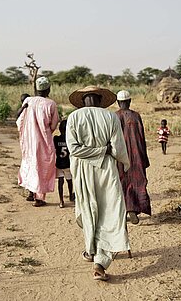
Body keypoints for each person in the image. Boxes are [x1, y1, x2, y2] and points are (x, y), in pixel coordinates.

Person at [66, 86, 130, 282]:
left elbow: (74, 149)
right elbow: (117, 148)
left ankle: (91, 251)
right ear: (100, 100)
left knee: (88, 209)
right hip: (107, 169)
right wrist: (110, 154)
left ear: (83, 100)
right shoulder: (111, 117)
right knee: (110, 211)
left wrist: (94, 151)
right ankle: (100, 261)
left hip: (83, 170)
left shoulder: (74, 118)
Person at [17, 77, 59, 207]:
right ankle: (39, 198)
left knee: (30, 163)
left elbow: (19, 118)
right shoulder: (51, 104)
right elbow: (53, 124)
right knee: (43, 166)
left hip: (28, 139)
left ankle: (31, 192)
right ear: (48, 89)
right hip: (43, 140)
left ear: (36, 88)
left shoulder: (28, 100)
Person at [115, 90, 151, 224]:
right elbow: (142, 138)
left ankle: (125, 209)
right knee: (138, 181)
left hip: (120, 157)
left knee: (121, 182)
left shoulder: (114, 116)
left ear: (118, 102)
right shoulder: (136, 116)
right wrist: (144, 157)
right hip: (137, 155)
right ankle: (134, 209)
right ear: (129, 101)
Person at [53, 120, 74, 208]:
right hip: (68, 164)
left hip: (59, 164)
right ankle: (70, 195)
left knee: (60, 182)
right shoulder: (70, 140)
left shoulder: (56, 139)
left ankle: (61, 201)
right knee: (69, 181)